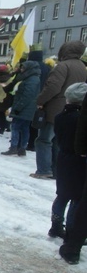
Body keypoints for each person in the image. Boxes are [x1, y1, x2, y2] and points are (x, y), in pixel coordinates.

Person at [32, 41, 87, 179]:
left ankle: (44, 170)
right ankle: (56, 171)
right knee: (58, 141)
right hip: (74, 108)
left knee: (44, 140)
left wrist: (40, 100)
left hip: (56, 108)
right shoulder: (82, 66)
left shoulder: (63, 66)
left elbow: (53, 87)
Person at [49, 82, 87, 239]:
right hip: (78, 159)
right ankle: (71, 229)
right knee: (76, 197)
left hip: (63, 157)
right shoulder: (80, 119)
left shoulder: (60, 117)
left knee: (62, 194)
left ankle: (56, 225)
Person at [1, 60, 41, 156]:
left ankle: (14, 147)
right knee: (24, 128)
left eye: (23, 68)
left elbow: (27, 96)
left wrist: (18, 107)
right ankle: (22, 148)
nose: (21, 70)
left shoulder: (31, 80)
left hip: (24, 108)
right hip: (27, 109)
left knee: (15, 127)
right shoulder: (31, 78)